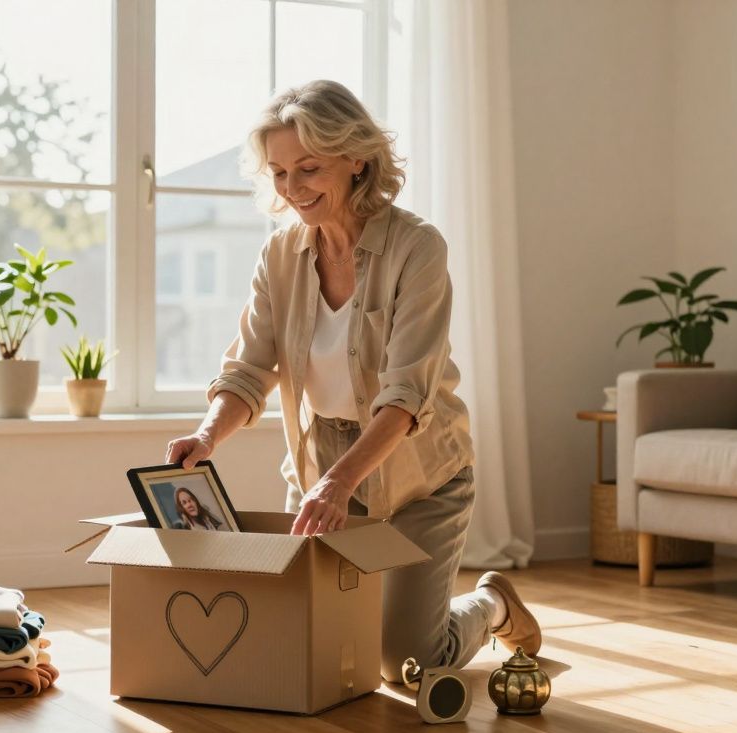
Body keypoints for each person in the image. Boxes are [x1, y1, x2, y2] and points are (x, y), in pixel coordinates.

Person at [164, 80, 541, 682]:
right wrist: (207, 437)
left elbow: (405, 395)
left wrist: (340, 484)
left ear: (357, 158)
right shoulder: (280, 255)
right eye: (280, 172)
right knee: (304, 641)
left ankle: (492, 604)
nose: (292, 189)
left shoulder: (417, 248)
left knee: (404, 663)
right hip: (321, 466)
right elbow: (249, 369)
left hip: (418, 472)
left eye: (309, 168)